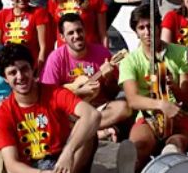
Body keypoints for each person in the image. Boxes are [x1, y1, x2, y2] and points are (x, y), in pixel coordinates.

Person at [0, 44, 110, 173]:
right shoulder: (4, 113)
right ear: (5, 78)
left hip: (66, 164)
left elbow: (93, 115)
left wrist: (68, 152)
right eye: (12, 72)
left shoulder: (55, 92)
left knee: (88, 133)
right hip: (35, 171)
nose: (20, 77)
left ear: (33, 69)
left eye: (24, 69)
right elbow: (11, 165)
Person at [116, 4, 188, 173]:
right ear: (136, 32)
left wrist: (173, 86)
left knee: (176, 142)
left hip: (179, 114)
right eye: (141, 28)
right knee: (140, 144)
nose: (147, 32)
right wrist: (161, 105)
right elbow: (133, 99)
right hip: (149, 115)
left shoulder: (181, 53)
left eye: (151, 26)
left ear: (160, 27)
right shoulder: (130, 61)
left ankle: (167, 165)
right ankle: (130, 170)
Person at [41, 13, 130, 141]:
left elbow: (113, 93)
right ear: (62, 37)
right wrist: (78, 92)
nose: (77, 36)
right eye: (71, 33)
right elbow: (48, 95)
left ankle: (82, 132)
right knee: (49, 116)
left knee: (124, 108)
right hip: (70, 112)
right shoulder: (55, 58)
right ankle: (97, 133)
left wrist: (109, 78)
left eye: (79, 30)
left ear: (85, 30)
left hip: (99, 110)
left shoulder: (102, 54)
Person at [0, 0, 50, 70]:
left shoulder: (38, 13)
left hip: (31, 67)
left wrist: (38, 70)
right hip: (9, 68)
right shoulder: (2, 15)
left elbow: (43, 47)